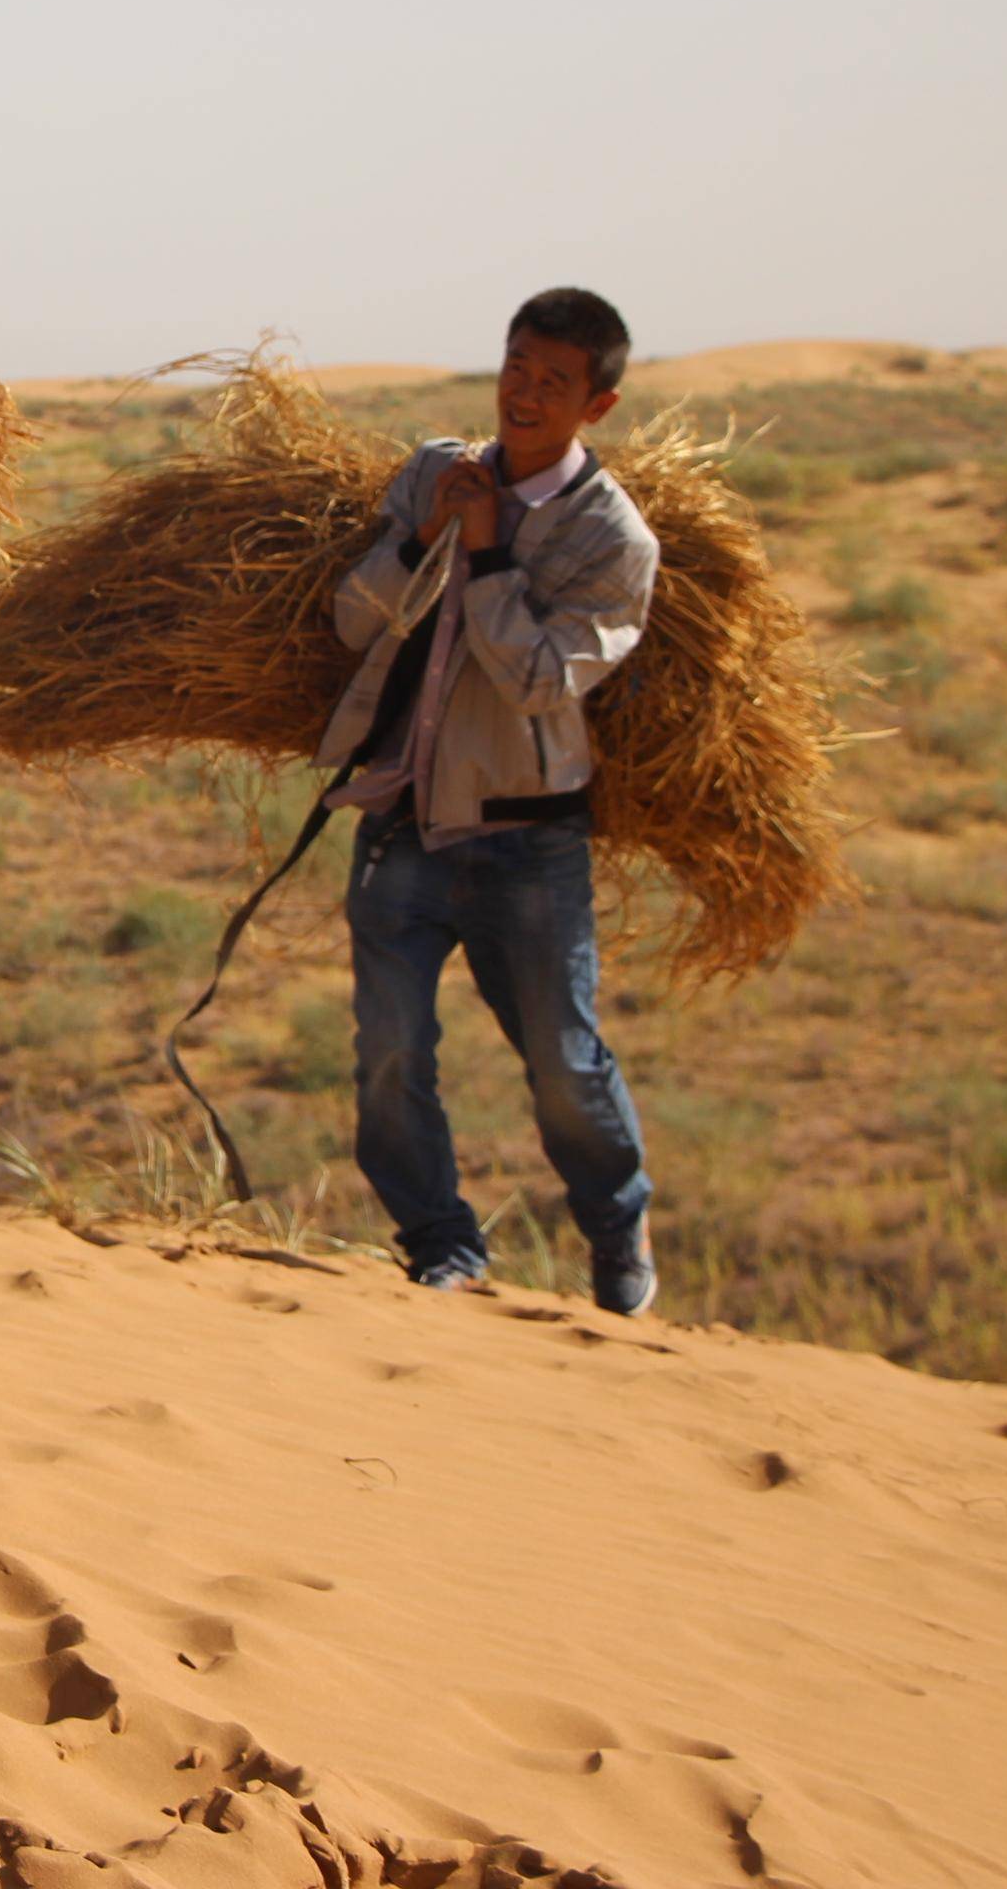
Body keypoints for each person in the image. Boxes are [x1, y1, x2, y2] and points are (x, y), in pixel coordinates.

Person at [312, 288, 663, 1311]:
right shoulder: (435, 471)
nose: (526, 392)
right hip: (404, 824)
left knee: (563, 1064)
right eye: (517, 366)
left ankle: (615, 1226)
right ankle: (439, 1244)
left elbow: (543, 682)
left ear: (595, 407)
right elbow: (349, 625)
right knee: (388, 1054)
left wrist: (492, 556)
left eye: (555, 381)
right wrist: (423, 539)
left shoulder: (613, 540)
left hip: (529, 844)